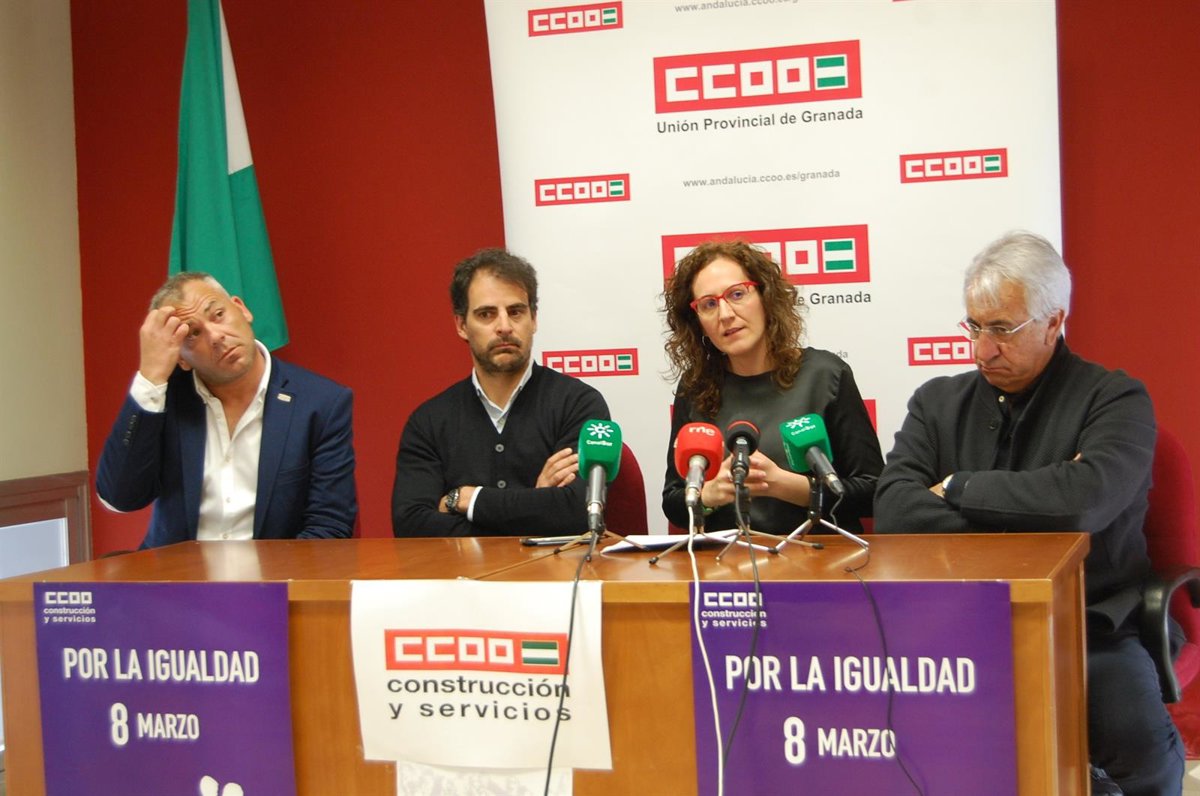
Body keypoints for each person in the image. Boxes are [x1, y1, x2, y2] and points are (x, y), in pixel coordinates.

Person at [874, 231, 1183, 795]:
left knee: (1137, 741)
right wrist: (1043, 504)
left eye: (1002, 330)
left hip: (1086, 623)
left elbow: (1084, 501)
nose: (981, 350)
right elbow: (895, 509)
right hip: (956, 622)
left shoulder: (1116, 400)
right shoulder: (936, 402)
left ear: (1053, 321)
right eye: (973, 326)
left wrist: (958, 486)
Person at [96, 272, 358, 547]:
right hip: (177, 572)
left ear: (242, 309)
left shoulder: (320, 403)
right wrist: (150, 378)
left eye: (218, 315)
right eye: (193, 333)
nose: (216, 336)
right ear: (181, 359)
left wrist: (264, 576)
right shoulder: (164, 400)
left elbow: (330, 527)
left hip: (276, 572)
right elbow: (119, 498)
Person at [661, 240, 883, 534]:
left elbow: (873, 493)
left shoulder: (825, 375)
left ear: (765, 296)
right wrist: (709, 496)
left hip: (819, 556)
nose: (725, 314)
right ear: (697, 320)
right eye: (709, 304)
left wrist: (784, 485)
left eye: (737, 294)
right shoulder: (695, 386)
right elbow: (673, 502)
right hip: (726, 556)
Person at [392, 248, 610, 537]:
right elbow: (411, 525)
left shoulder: (579, 404)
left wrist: (465, 499)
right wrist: (535, 504)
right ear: (461, 325)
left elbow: (576, 511)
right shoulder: (429, 422)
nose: (504, 327)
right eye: (486, 314)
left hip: (554, 568)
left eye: (516, 312)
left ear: (534, 319)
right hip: (460, 569)